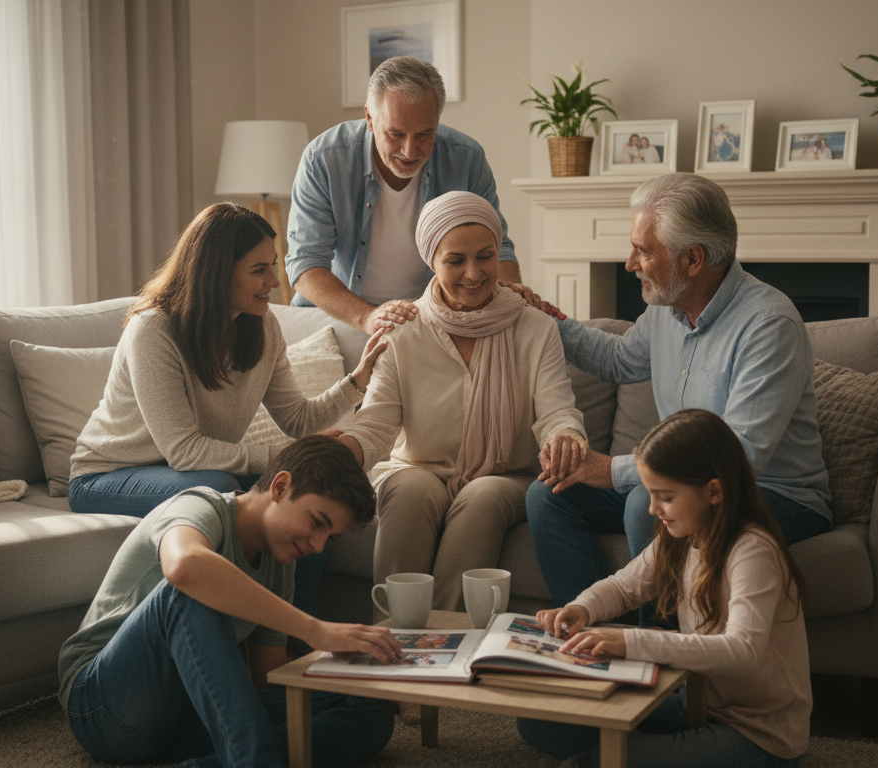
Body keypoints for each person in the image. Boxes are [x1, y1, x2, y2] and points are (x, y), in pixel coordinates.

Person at [517, 172, 831, 612]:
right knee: (549, 496)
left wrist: (613, 470)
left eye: (644, 251)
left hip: (772, 493)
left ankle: (663, 668)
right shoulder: (668, 308)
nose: (630, 263)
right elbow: (617, 359)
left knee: (645, 504)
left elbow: (741, 455)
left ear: (693, 260)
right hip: (684, 484)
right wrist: (542, 315)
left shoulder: (768, 324)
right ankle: (594, 638)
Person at [69, 202, 389, 627]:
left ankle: (300, 650)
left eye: (273, 266)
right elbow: (185, 453)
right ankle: (233, 641)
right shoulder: (153, 330)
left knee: (307, 496)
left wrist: (357, 380)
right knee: (216, 488)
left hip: (190, 469)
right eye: (259, 270)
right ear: (217, 271)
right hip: (108, 475)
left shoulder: (262, 327)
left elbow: (296, 417)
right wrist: (280, 458)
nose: (274, 282)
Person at [60, 435, 401, 767]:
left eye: (330, 536)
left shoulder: (279, 565)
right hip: (104, 708)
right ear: (280, 487)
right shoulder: (199, 505)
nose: (318, 545)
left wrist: (346, 665)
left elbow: (265, 677)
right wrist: (315, 629)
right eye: (317, 523)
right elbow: (184, 567)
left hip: (188, 712)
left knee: (369, 708)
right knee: (186, 593)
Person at [329, 191, 586, 612]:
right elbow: (375, 424)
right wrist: (340, 452)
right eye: (455, 261)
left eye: (485, 257)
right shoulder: (403, 330)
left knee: (482, 497)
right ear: (431, 260)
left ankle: (445, 643)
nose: (473, 273)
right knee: (408, 490)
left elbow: (557, 409)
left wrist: (565, 437)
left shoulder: (535, 326)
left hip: (506, 476)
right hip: (417, 467)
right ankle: (393, 637)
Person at [519, 409, 811, 768]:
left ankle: (647, 750)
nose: (653, 508)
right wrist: (583, 608)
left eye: (665, 497)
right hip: (699, 704)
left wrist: (630, 642)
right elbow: (625, 587)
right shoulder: (680, 537)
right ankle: (658, 748)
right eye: (651, 494)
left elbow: (743, 650)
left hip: (759, 735)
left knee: (597, 761)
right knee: (539, 720)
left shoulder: (752, 550)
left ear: (714, 491)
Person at [286, 56, 521, 336]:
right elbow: (305, 263)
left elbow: (498, 247)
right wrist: (367, 317)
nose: (410, 151)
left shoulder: (466, 158)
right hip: (339, 317)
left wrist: (514, 299)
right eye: (396, 134)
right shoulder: (324, 159)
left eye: (424, 135)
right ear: (370, 119)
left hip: (432, 317)